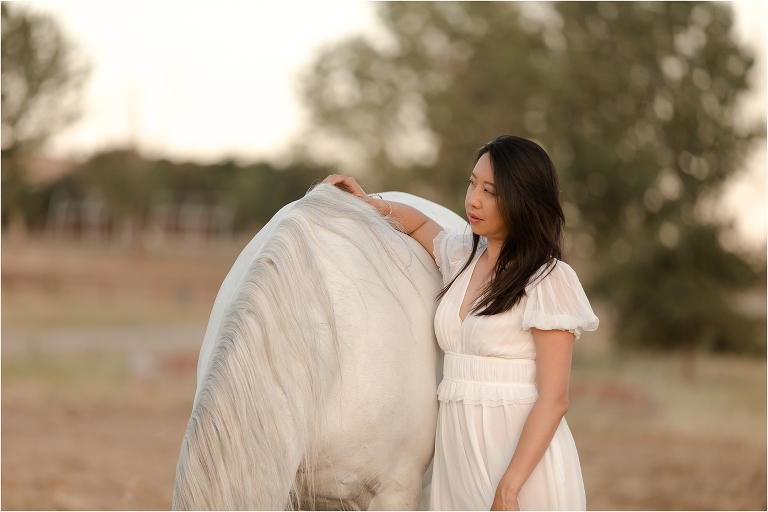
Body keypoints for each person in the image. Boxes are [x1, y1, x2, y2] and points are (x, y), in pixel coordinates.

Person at [322, 135, 598, 511]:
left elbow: (554, 399)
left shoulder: (548, 279)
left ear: (523, 199)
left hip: (519, 463)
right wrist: (367, 203)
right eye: (472, 183)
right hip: (458, 456)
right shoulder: (461, 256)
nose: (474, 199)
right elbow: (418, 222)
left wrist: (510, 487)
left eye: (491, 190)